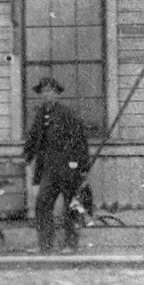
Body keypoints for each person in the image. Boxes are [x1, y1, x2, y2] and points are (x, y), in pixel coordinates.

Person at [23, 77, 90, 253]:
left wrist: (82, 168)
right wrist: (26, 157)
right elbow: (32, 140)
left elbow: (80, 141)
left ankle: (70, 245)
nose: (46, 94)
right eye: (43, 91)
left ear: (57, 94)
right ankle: (45, 245)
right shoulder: (40, 116)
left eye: (50, 91)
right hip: (48, 169)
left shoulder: (67, 114)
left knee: (71, 205)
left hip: (68, 168)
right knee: (42, 204)